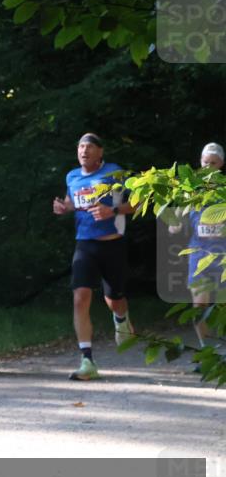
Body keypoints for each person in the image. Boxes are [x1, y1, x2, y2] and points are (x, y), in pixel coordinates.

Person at [52, 133, 135, 381]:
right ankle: (87, 360)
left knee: (114, 299)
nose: (83, 150)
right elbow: (71, 203)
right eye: (80, 146)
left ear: (100, 152)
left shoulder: (114, 172)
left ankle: (121, 319)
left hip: (112, 244)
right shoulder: (72, 176)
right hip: (85, 244)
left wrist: (114, 210)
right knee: (80, 297)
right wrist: (63, 208)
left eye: (89, 146)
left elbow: (138, 203)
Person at [169, 142, 225, 369]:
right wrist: (174, 224)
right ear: (199, 163)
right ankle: (207, 354)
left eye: (213, 163)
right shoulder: (190, 189)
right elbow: (177, 223)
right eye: (205, 162)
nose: (208, 167)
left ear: (221, 165)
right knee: (199, 305)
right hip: (199, 255)